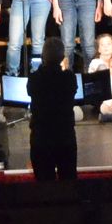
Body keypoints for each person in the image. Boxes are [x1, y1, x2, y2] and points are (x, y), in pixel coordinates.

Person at [27, 38, 78, 181]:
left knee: (44, 181)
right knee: (68, 180)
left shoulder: (35, 78)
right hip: (65, 135)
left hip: (41, 135)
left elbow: (31, 90)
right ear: (62, 57)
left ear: (43, 56)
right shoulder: (69, 77)